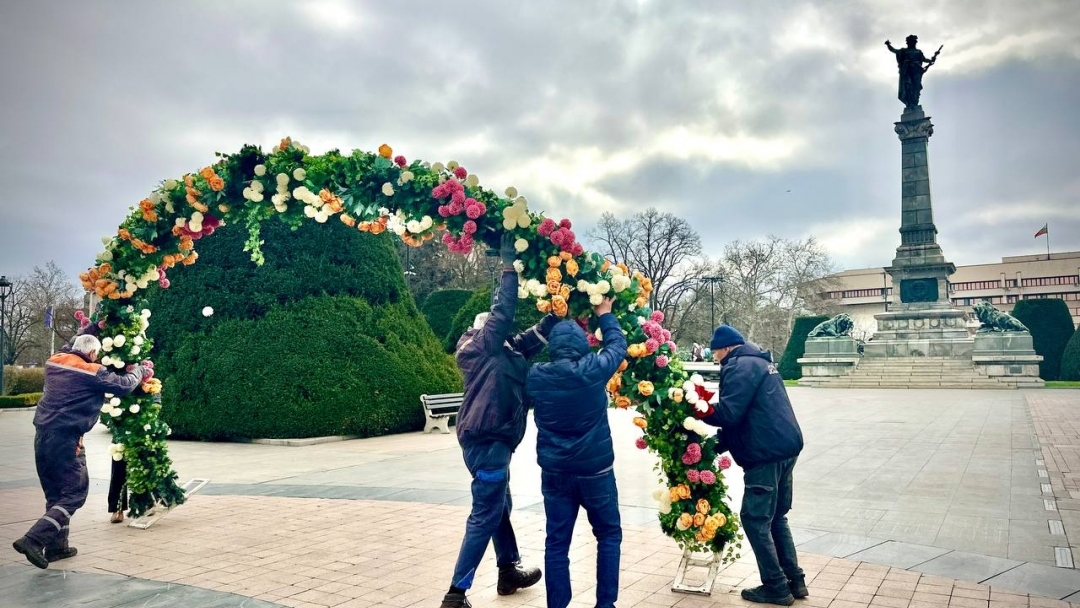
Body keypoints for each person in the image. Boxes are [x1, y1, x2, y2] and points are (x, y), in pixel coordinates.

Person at [441, 234, 560, 608]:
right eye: (498, 328)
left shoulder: (501, 350)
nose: (506, 334)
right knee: (485, 514)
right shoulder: (481, 344)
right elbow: (504, 314)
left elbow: (530, 339)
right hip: (488, 443)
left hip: (493, 444)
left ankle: (508, 570)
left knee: (499, 507)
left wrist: (555, 317)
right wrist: (509, 268)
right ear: (486, 328)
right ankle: (455, 594)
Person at [525, 296, 628, 608]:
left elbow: (516, 355)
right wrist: (605, 314)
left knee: (557, 543)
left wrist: (544, 324)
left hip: (556, 473)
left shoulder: (536, 376)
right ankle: (605, 604)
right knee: (608, 535)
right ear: (582, 345)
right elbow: (618, 345)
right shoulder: (593, 369)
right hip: (595, 472)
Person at [12, 332, 146, 569]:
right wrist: (141, 371)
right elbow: (124, 386)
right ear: (93, 354)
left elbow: (72, 343)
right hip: (67, 439)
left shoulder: (55, 360)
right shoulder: (92, 371)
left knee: (56, 494)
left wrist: (95, 325)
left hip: (42, 437)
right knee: (74, 493)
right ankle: (33, 540)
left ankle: (57, 547)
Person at [698, 324, 805, 606]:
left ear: (726, 348)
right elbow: (749, 414)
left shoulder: (740, 366)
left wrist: (696, 406)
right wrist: (714, 445)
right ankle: (795, 581)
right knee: (777, 517)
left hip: (765, 453)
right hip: (784, 447)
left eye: (715, 353)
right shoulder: (758, 361)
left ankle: (776, 586)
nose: (714, 359)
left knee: (755, 520)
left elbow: (730, 413)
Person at [885, 35, 938, 108]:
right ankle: (910, 103)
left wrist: (931, 60)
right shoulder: (904, 51)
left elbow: (924, 59)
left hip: (917, 71)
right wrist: (888, 45)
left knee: (916, 87)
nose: (913, 43)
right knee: (908, 86)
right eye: (911, 41)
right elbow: (894, 50)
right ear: (908, 43)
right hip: (907, 71)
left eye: (914, 41)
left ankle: (915, 102)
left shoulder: (918, 52)